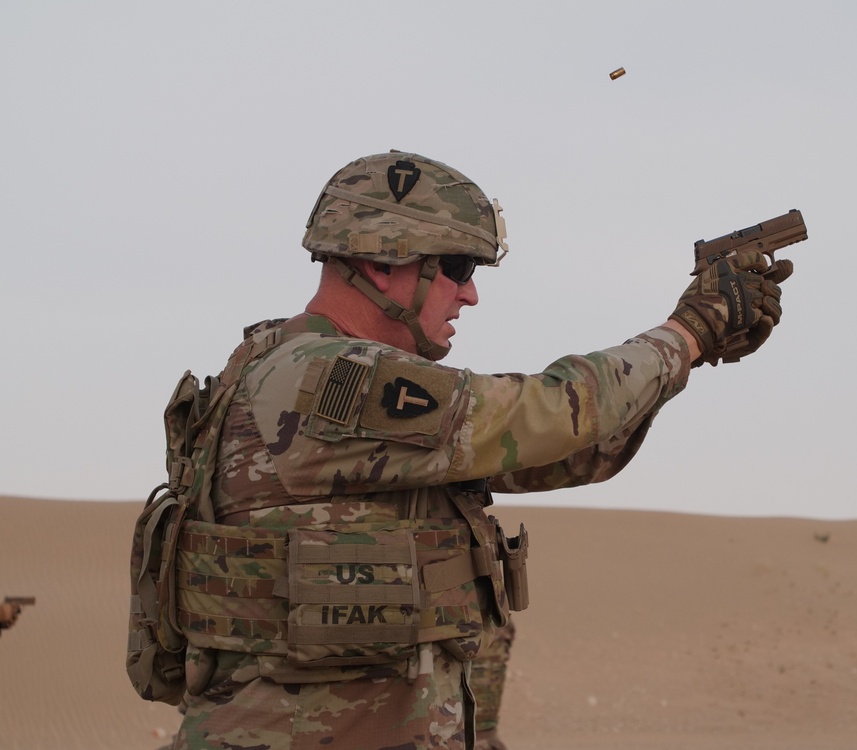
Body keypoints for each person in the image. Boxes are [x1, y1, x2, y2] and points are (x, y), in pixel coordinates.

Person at [165, 150, 791, 750]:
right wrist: (684, 334)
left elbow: (563, 449)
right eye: (459, 270)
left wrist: (692, 355)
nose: (469, 295)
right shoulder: (324, 379)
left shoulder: (303, 373)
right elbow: (544, 412)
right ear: (385, 263)